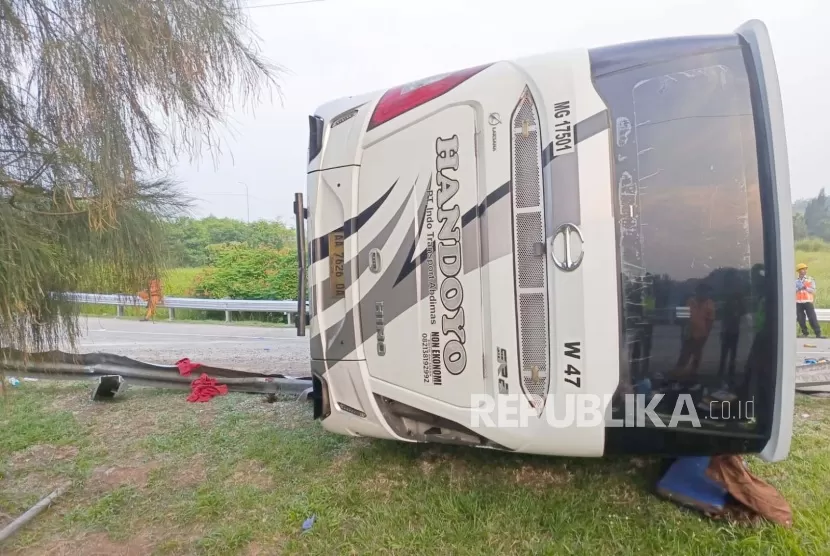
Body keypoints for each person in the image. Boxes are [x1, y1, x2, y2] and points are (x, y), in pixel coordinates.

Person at [675, 283, 715, 376]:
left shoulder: (710, 304)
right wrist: (685, 331)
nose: (705, 294)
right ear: (697, 292)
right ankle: (676, 378)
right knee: (683, 357)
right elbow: (681, 319)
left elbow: (710, 321)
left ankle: (692, 378)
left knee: (696, 359)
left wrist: (705, 337)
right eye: (703, 292)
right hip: (688, 335)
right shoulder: (689, 301)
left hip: (701, 336)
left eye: (706, 292)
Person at [719, 270, 746, 381]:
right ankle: (724, 371)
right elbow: (724, 314)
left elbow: (743, 311)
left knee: (730, 352)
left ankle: (728, 371)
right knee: (726, 352)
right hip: (729, 329)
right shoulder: (731, 298)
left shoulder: (737, 298)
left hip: (733, 329)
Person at [796, 263, 822, 338]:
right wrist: (798, 288)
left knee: (812, 318)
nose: (804, 271)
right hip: (798, 302)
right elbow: (792, 290)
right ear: (799, 271)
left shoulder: (810, 279)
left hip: (808, 301)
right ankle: (805, 333)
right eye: (802, 269)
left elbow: (813, 290)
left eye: (805, 269)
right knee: (800, 319)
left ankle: (818, 333)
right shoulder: (795, 281)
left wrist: (805, 288)